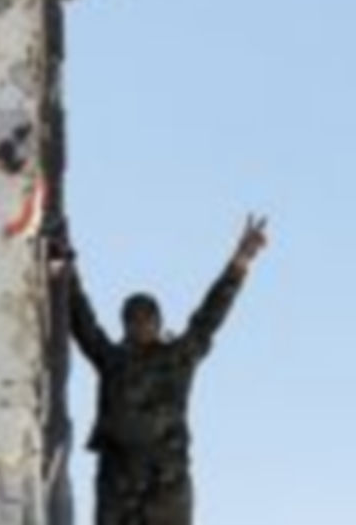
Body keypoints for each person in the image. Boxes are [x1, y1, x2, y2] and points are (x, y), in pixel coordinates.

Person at [67, 215, 268, 525]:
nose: (141, 324)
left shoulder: (178, 358)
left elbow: (209, 316)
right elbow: (83, 323)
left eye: (147, 317)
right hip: (118, 489)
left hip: (165, 488)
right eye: (133, 318)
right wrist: (66, 270)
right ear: (125, 324)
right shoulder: (112, 360)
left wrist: (240, 261)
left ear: (159, 322)